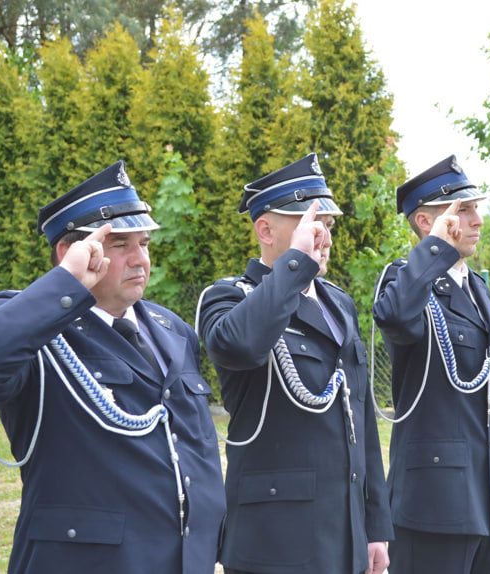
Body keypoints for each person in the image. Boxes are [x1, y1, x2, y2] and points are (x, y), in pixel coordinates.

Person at [0, 161, 226, 574]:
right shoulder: (36, 326)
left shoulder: (173, 330)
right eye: (120, 245)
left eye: (145, 244)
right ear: (71, 253)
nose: (139, 259)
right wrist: (66, 284)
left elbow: (195, 446)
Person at [197, 154, 392, 574]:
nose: (322, 235)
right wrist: (295, 267)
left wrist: (374, 525)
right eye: (308, 222)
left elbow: (359, 418)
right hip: (276, 541)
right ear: (265, 230)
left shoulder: (337, 302)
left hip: (344, 537)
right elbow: (240, 345)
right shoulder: (230, 298)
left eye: (327, 224)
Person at [373, 155, 490, 574]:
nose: (477, 220)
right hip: (433, 499)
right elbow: (397, 315)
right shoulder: (404, 279)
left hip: (483, 496)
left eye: (476, 208)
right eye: (463, 210)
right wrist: (435, 247)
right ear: (425, 222)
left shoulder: (476, 288)